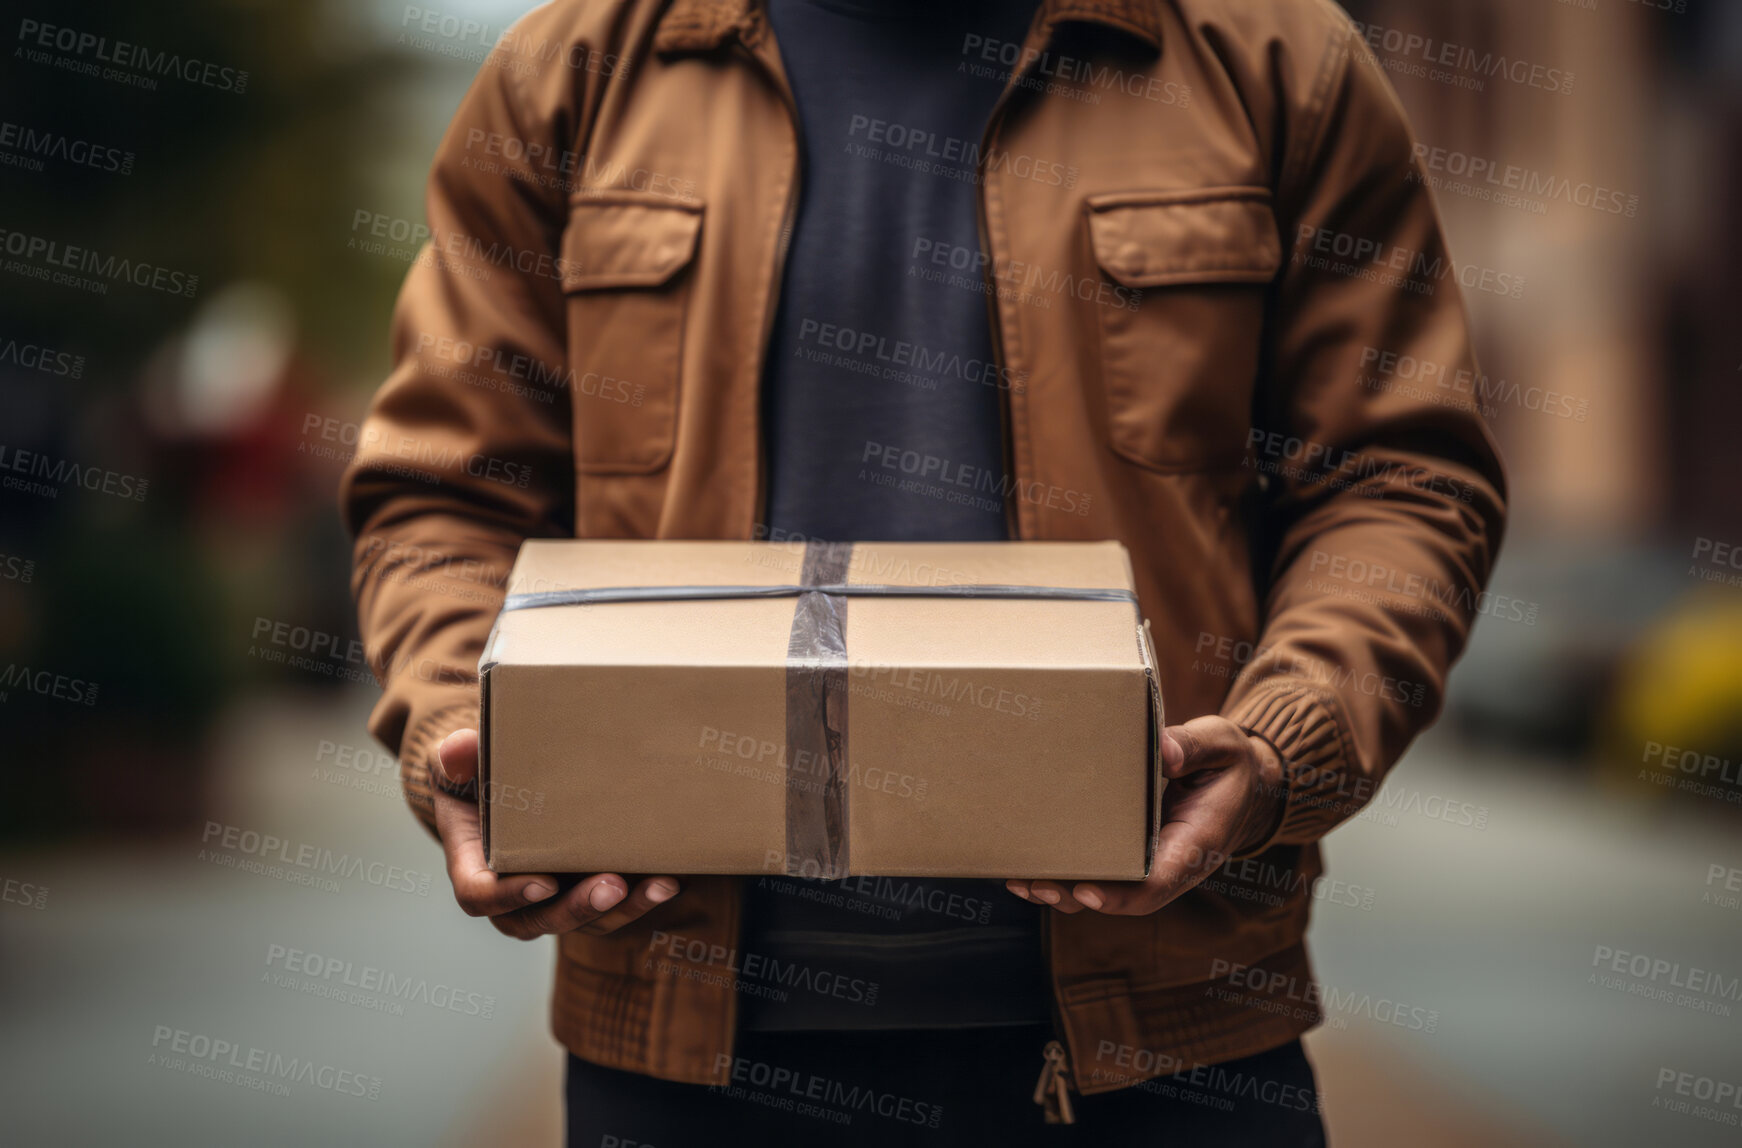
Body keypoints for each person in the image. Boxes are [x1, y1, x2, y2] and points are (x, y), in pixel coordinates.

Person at [342, 0, 1506, 1142]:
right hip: (683, 1046)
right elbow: (443, 491)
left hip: (1169, 1045)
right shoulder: (572, 72)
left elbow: (1397, 480)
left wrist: (1277, 741)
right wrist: (469, 731)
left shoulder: (1272, 59)